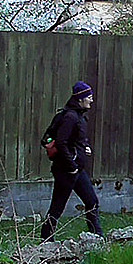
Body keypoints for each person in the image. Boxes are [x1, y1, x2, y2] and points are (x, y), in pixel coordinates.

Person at [40, 81, 103, 241]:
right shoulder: (70, 117)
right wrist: (72, 166)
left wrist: (85, 147)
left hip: (77, 170)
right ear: (80, 99)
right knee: (57, 207)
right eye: (89, 97)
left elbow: (75, 140)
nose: (91, 100)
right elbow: (61, 142)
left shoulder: (79, 116)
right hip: (66, 171)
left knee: (92, 201)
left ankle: (97, 238)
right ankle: (46, 241)